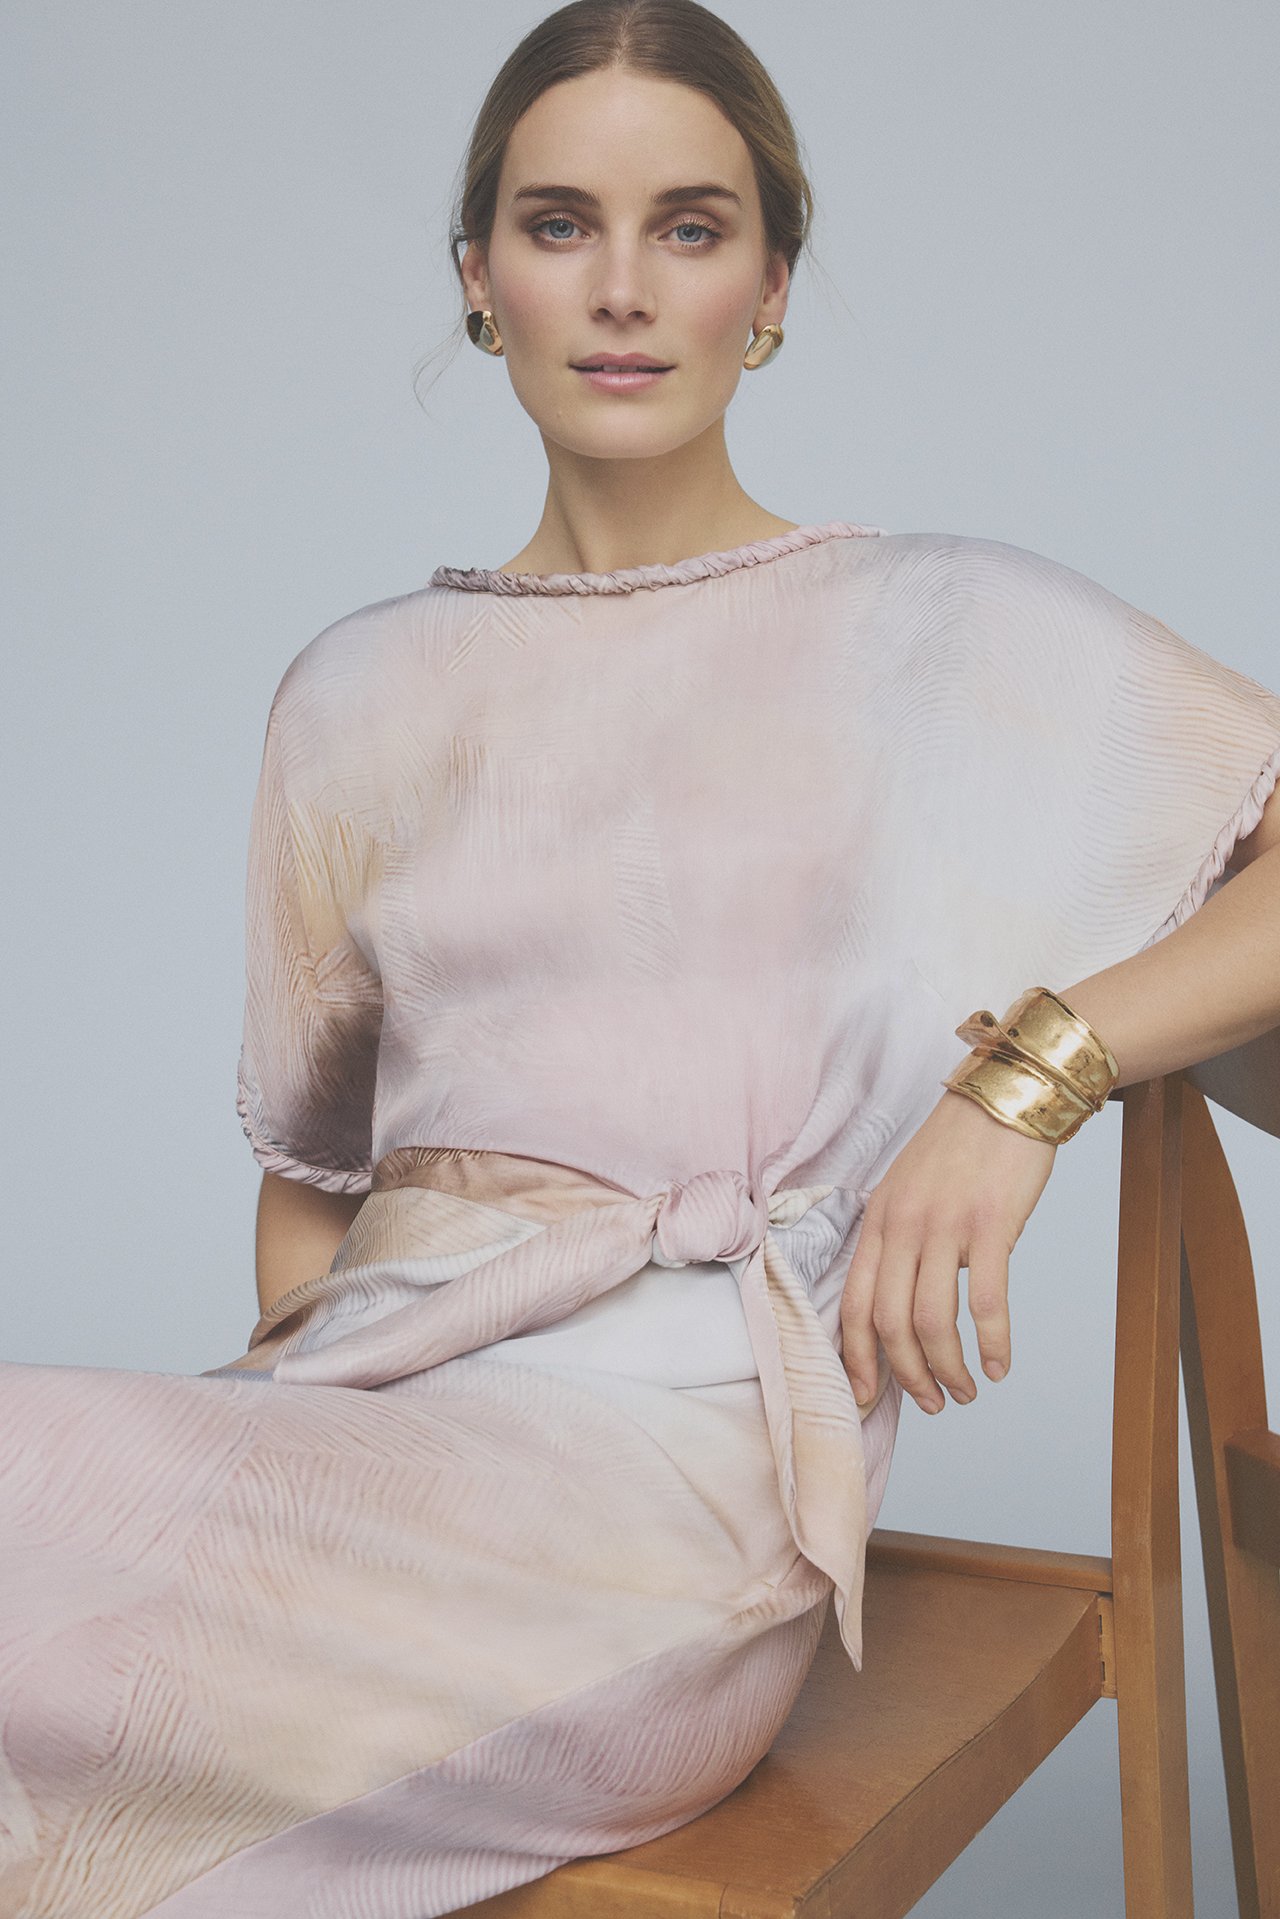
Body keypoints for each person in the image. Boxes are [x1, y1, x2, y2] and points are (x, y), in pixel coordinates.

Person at [4, 2, 1280, 1914]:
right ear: (478, 278)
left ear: (772, 286)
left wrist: (1030, 1075)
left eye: (690, 228)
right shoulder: (354, 695)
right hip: (359, 1440)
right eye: (558, 225)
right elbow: (314, 1187)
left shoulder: (942, 628)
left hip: (664, 1501)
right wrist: (258, 1488)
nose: (622, 289)